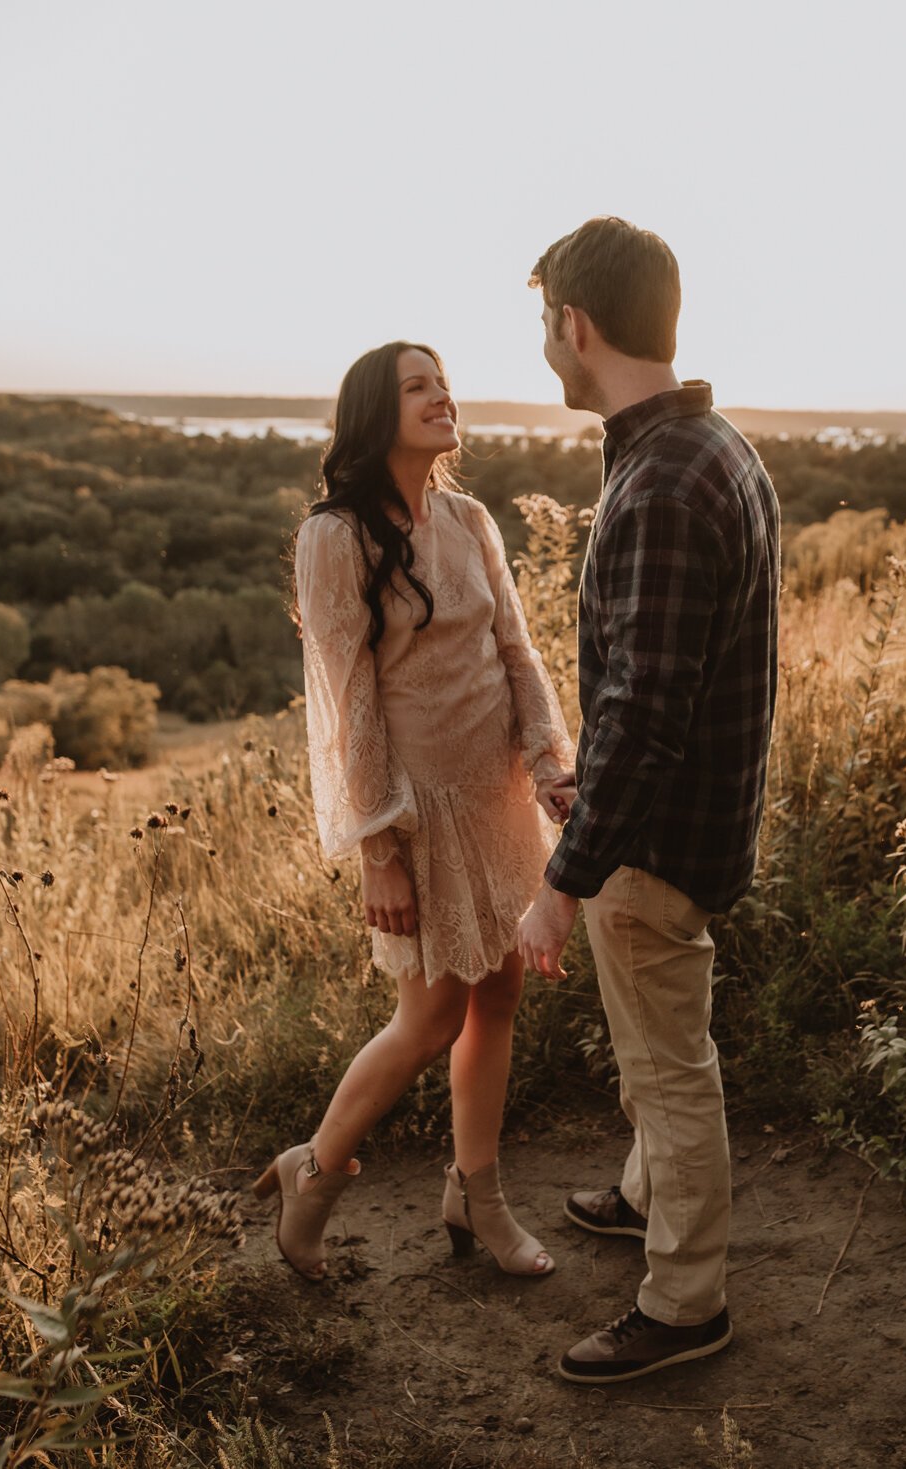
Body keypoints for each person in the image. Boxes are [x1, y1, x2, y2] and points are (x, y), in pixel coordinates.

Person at [516, 218, 782, 1383]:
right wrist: (607, 785)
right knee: (659, 1039)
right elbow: (672, 678)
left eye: (543, 325)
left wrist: (563, 879)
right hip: (686, 814)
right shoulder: (711, 445)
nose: (542, 347)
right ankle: (640, 1194)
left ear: (577, 326)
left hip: (658, 844)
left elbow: (645, 712)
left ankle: (684, 1301)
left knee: (670, 1065)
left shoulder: (662, 482)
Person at [254, 340, 577, 1283]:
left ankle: (477, 1195)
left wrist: (550, 764)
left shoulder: (472, 519)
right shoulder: (335, 536)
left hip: (501, 798)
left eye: (444, 381)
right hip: (419, 813)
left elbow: (519, 653)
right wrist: (378, 846)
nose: (442, 395)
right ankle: (313, 1172)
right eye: (417, 386)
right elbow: (350, 701)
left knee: (500, 996)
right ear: (372, 412)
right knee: (431, 1015)